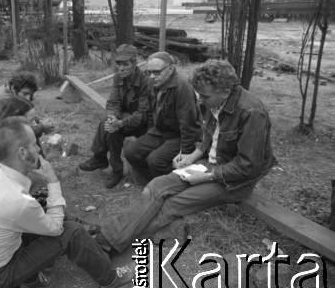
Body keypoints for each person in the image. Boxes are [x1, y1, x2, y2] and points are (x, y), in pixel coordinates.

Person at [92, 60, 277, 254]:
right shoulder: (216, 100)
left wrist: (207, 176)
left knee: (173, 204)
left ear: (225, 91)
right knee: (155, 186)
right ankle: (109, 236)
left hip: (236, 179)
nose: (200, 100)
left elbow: (248, 166)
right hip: (209, 165)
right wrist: (193, 156)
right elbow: (210, 134)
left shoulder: (252, 112)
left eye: (204, 96)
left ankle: (110, 244)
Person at [0, 116, 133, 288]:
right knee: (71, 232)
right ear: (22, 153)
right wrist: (53, 181)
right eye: (33, 144)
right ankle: (109, 280)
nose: (37, 147)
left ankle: (30, 280)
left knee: (41, 196)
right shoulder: (16, 201)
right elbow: (56, 228)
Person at [124, 51, 202, 186]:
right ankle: (153, 181)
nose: (152, 76)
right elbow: (150, 113)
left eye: (157, 72)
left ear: (170, 69)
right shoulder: (152, 84)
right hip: (158, 132)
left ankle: (169, 187)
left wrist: (185, 152)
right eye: (149, 72)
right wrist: (149, 132)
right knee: (130, 152)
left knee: (155, 160)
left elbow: (188, 125)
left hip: (178, 136)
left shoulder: (182, 88)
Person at [78, 44, 149, 189]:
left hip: (144, 124)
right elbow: (112, 101)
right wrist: (112, 118)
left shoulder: (145, 82)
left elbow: (143, 114)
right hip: (124, 118)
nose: (121, 68)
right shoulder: (118, 77)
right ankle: (116, 170)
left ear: (135, 64)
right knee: (110, 126)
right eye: (119, 64)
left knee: (115, 127)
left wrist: (121, 122)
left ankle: (100, 158)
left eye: (126, 64)